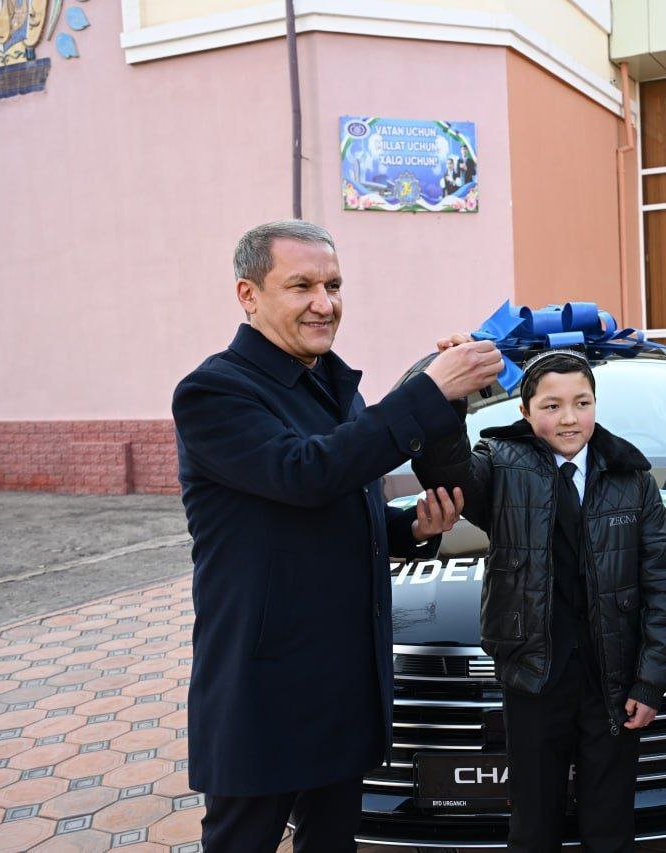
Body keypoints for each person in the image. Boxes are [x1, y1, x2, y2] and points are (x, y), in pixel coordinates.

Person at [172, 220, 504, 851]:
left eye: (333, 285)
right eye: (301, 286)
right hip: (265, 687)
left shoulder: (332, 385)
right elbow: (305, 474)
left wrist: (409, 527)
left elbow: (338, 504)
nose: (324, 304)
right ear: (248, 294)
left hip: (342, 682)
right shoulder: (213, 393)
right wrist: (428, 390)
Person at [413, 347, 666, 851]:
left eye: (582, 403)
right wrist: (446, 395)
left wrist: (651, 682)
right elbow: (443, 466)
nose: (569, 418)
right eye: (552, 405)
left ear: (596, 405)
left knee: (609, 823)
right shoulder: (502, 465)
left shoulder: (631, 477)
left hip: (612, 680)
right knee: (533, 823)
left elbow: (664, 587)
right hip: (533, 678)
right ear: (525, 411)